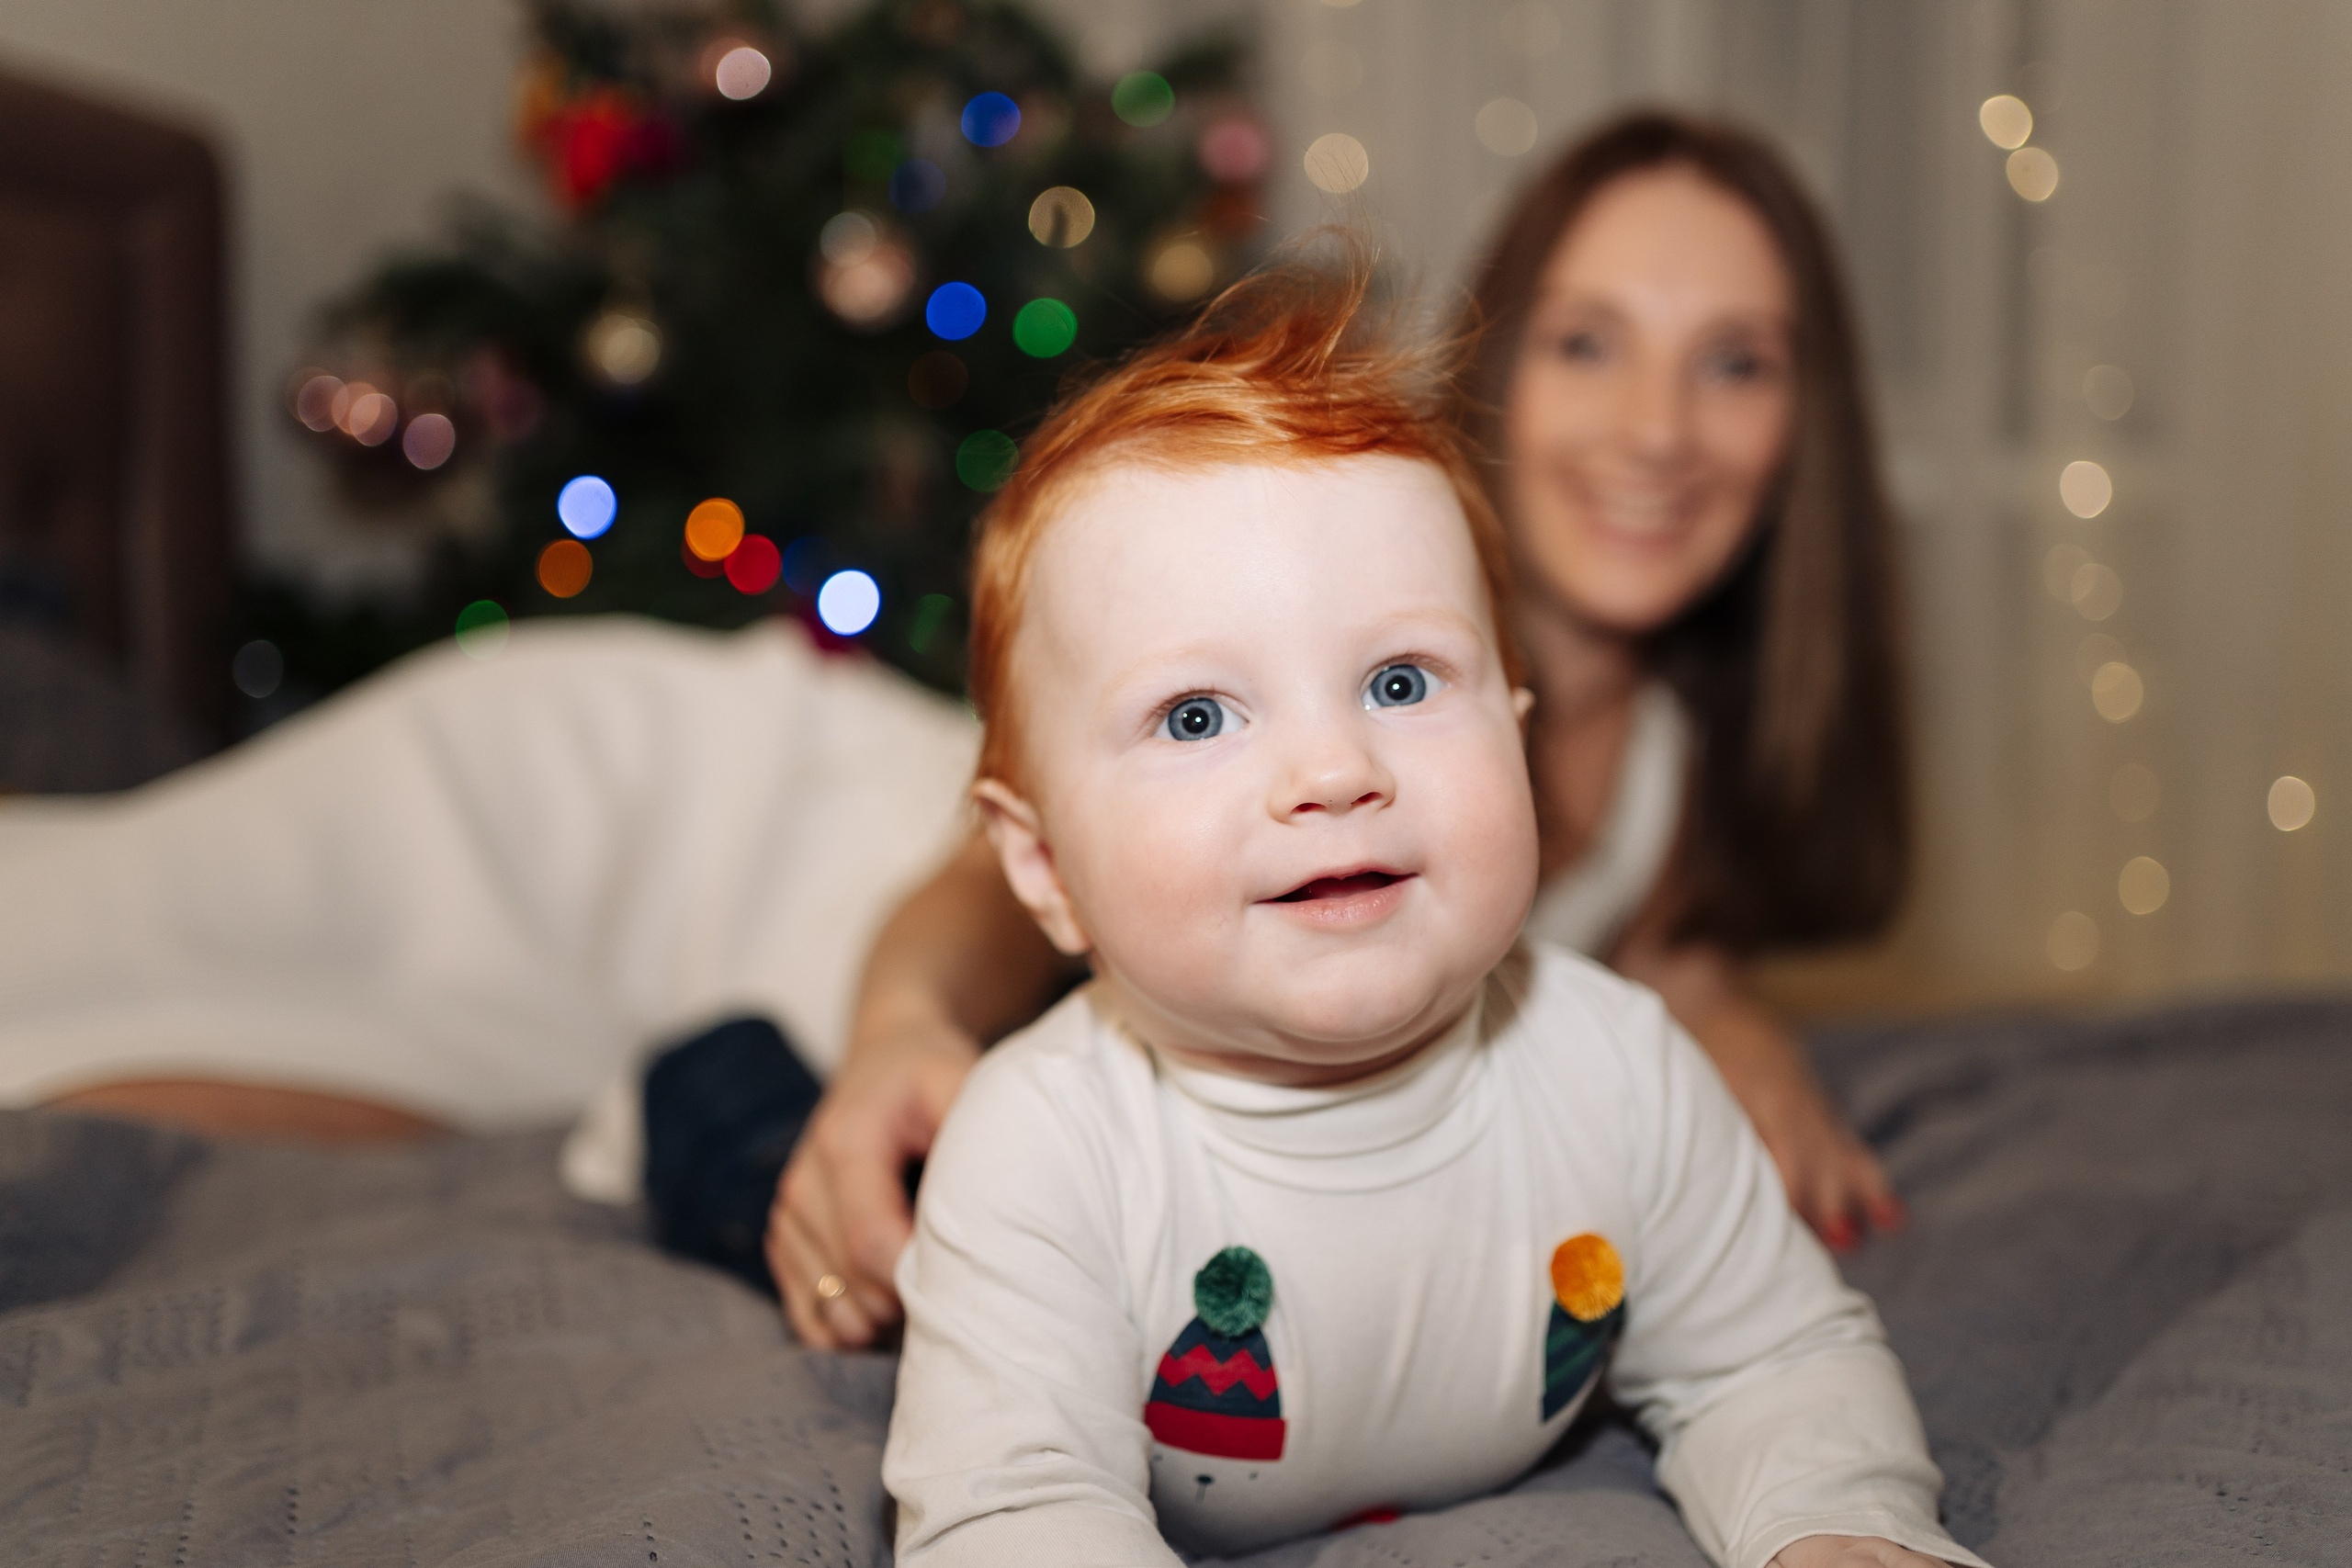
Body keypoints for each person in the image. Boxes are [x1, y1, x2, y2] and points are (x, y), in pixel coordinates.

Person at [883, 253, 1978, 1568]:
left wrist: (1836, 1529)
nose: (1335, 772)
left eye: (1402, 683)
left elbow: (1776, 1360)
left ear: (1519, 738)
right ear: (1045, 866)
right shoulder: (1039, 1152)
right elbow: (1016, 1509)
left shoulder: (1618, 1072)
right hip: (943, 1143)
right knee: (766, 1158)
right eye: (1196, 715)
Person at [773, 109, 1914, 1350]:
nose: (1658, 429)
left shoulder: (1675, 755)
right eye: (1588, 342)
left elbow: (1651, 957)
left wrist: (1730, 1026)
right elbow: (981, 889)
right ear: (1497, 362)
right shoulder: (1285, 598)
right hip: (836, 923)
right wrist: (897, 1035)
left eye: (1736, 361)